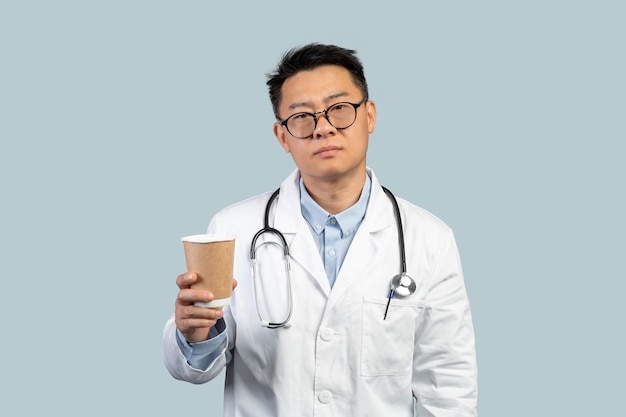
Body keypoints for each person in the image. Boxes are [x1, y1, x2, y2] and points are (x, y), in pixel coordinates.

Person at [162, 43, 478, 417]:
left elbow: (449, 388)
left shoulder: (429, 239)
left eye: (339, 109)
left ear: (370, 116)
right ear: (282, 137)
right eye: (302, 117)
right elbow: (195, 369)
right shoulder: (233, 229)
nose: (323, 127)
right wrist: (195, 335)